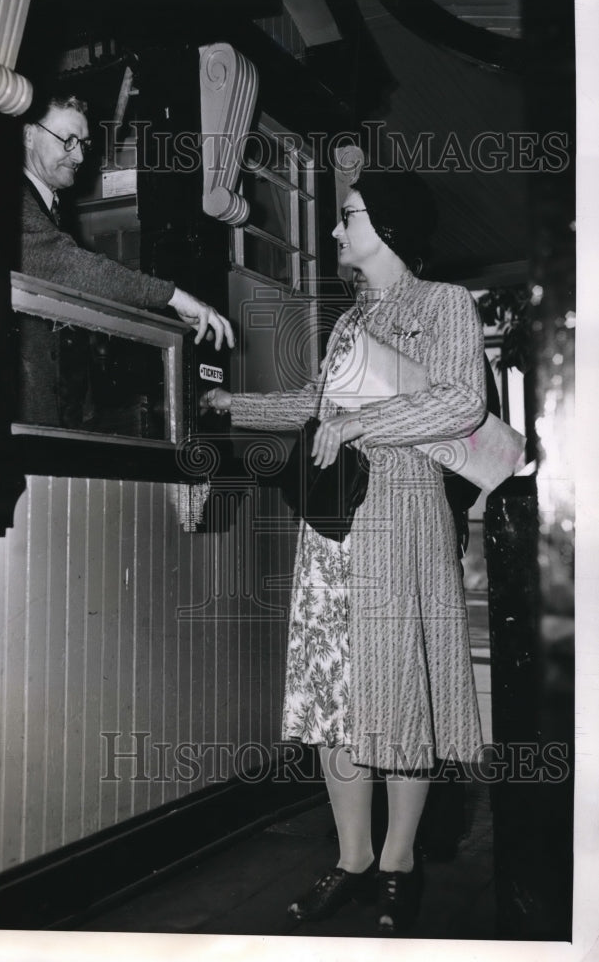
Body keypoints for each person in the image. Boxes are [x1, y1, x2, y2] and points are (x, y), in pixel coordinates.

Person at [203, 157, 486, 935]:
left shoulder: (444, 304)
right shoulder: (350, 322)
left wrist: (359, 423)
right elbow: (313, 405)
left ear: (388, 227)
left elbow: (461, 400)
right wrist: (234, 404)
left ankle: (397, 864)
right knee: (334, 700)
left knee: (397, 697)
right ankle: (352, 859)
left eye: (348, 216)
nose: (333, 229)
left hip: (399, 524)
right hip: (332, 530)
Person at [19, 92, 234, 351]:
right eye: (68, 141)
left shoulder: (48, 206)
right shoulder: (12, 201)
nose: (79, 157)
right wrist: (173, 297)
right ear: (29, 135)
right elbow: (71, 267)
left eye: (83, 144)